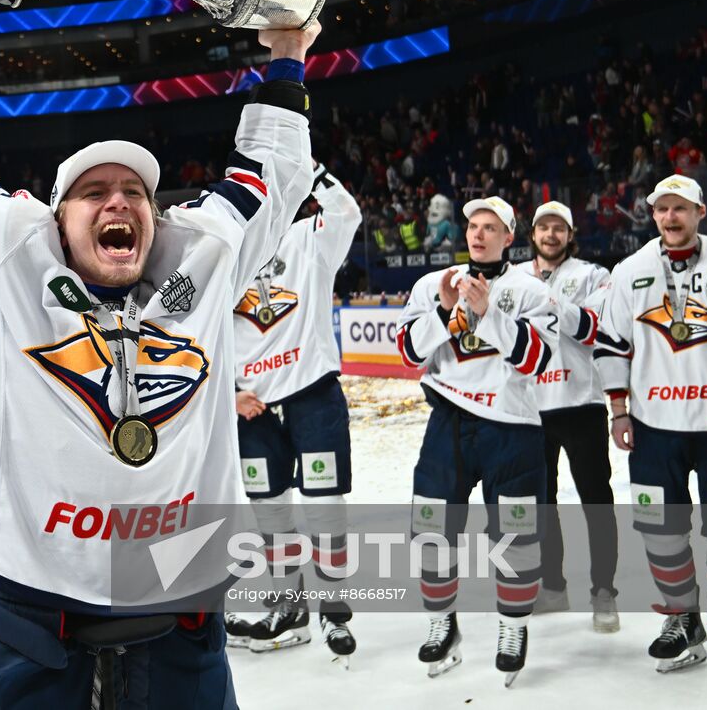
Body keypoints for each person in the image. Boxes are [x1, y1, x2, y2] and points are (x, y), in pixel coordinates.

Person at [0, 0, 318, 708]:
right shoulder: (5, 263)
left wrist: (285, 55)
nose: (118, 199)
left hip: (178, 618)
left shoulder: (204, 265)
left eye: (135, 191)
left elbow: (270, 177)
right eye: (94, 192)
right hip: (29, 618)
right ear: (58, 221)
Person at [595, 174, 707, 682]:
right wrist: (619, 409)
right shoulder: (630, 271)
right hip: (652, 427)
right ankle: (681, 619)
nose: (671, 217)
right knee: (661, 530)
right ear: (653, 214)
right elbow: (611, 344)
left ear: (701, 212)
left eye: (680, 208)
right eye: (662, 209)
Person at [396, 196, 557, 687]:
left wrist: (489, 314)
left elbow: (538, 361)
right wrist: (446, 311)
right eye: (472, 226)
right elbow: (406, 352)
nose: (478, 234)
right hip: (448, 423)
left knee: (516, 536)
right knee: (430, 530)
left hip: (512, 427)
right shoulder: (433, 285)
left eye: (490, 227)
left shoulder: (529, 289)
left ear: (510, 237)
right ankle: (442, 624)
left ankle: (513, 629)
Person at [228, 166, 361, 663]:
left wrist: (313, 172)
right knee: (272, 514)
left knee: (326, 510)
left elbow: (346, 212)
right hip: (250, 408)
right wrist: (228, 396)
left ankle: (335, 608)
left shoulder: (310, 239)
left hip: (312, 394)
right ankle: (289, 604)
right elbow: (195, 340)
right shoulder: (224, 258)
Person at [507, 202, 618, 631]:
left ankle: (603, 591)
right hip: (528, 407)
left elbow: (593, 328)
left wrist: (548, 301)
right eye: (543, 228)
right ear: (532, 234)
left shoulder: (594, 275)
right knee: (541, 503)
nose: (550, 235)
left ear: (570, 235)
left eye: (559, 228)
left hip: (581, 402)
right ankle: (552, 587)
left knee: (596, 501)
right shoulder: (512, 277)